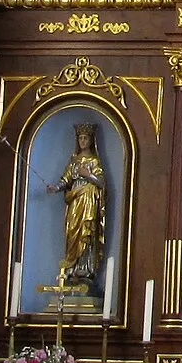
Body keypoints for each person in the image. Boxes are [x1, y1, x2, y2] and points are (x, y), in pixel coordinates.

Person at [50, 122, 107, 290]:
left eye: (85, 138)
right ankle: (72, 268)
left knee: (87, 233)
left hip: (89, 202)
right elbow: (65, 180)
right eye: (80, 138)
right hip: (75, 202)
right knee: (73, 231)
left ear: (90, 140)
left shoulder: (94, 161)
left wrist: (87, 175)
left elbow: (102, 183)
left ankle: (85, 269)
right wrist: (56, 187)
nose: (82, 141)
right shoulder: (73, 161)